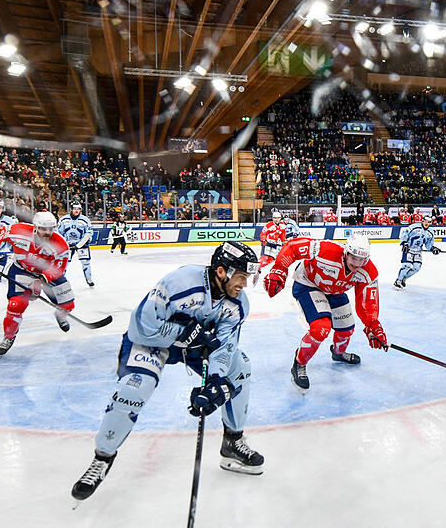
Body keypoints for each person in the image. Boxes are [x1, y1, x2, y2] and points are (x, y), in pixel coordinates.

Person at [71, 241, 264, 503]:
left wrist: (215, 383)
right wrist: (184, 333)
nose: (244, 283)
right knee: (134, 389)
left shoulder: (238, 305)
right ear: (222, 271)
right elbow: (141, 326)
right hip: (152, 342)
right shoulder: (180, 283)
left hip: (194, 346)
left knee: (240, 370)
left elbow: (226, 347)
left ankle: (232, 441)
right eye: (241, 276)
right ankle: (102, 458)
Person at [263, 234, 389, 393]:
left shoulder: (368, 272)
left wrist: (373, 325)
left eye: (362, 260)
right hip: (308, 284)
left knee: (347, 329)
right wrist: (279, 268)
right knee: (320, 328)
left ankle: (338, 353)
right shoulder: (326, 249)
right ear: (345, 252)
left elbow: (367, 301)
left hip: (335, 291)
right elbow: (293, 247)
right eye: (353, 258)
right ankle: (299, 363)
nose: (357, 264)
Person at [0, 211, 73, 356]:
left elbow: (58, 269)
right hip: (21, 270)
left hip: (46, 274)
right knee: (16, 304)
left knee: (68, 305)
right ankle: (8, 337)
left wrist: (40, 280)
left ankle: (60, 315)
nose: (48, 232)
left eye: (51, 229)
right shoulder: (20, 230)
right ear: (35, 226)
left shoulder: (61, 245)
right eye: (43, 229)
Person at [395, 215, 440, 288]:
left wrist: (433, 248)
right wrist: (404, 243)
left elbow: (428, 244)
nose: (427, 223)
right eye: (425, 221)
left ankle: (403, 279)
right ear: (422, 221)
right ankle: (398, 281)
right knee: (406, 266)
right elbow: (405, 233)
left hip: (418, 252)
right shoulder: (414, 227)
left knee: (416, 267)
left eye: (429, 222)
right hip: (408, 249)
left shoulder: (430, 232)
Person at [58, 203, 95, 287]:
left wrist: (81, 243)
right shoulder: (64, 219)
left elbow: (89, 232)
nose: (76, 210)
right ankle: (60, 279)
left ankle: (89, 279)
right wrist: (64, 243)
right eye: (74, 208)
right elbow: (59, 233)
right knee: (64, 263)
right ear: (71, 209)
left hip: (81, 244)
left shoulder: (85, 220)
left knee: (86, 262)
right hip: (67, 245)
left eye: (78, 209)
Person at [255, 211, 287, 284]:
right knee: (265, 257)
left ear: (280, 218)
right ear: (272, 218)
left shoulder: (282, 226)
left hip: (274, 244)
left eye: (278, 218)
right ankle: (258, 267)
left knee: (271, 258)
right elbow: (263, 233)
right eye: (275, 218)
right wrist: (263, 240)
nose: (276, 219)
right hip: (267, 243)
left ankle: (258, 266)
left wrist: (282, 242)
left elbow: (282, 235)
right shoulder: (269, 225)